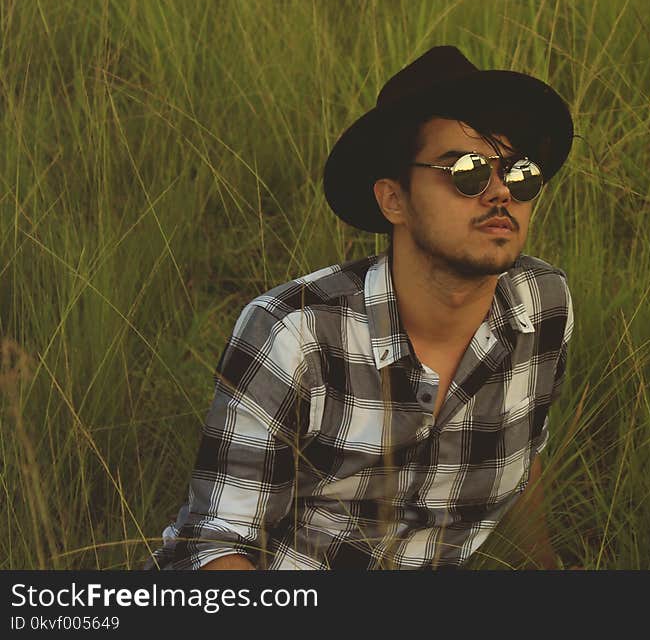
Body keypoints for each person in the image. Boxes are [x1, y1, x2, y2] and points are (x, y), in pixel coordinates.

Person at [147, 45, 574, 570]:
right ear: (394, 199)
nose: (499, 193)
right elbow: (215, 545)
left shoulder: (543, 305)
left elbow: (525, 458)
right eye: (467, 171)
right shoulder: (295, 333)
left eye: (519, 173)